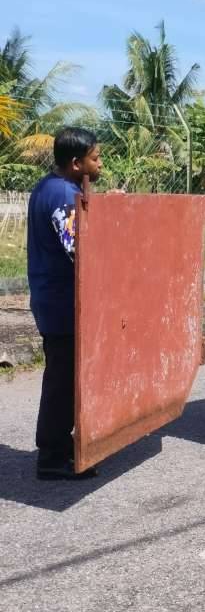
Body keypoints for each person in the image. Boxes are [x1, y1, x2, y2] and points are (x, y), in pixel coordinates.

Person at [28, 127, 102, 480]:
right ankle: (52, 457)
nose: (100, 164)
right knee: (62, 380)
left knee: (63, 376)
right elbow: (80, 250)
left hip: (52, 298)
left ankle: (59, 445)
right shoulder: (62, 196)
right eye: (95, 158)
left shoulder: (50, 186)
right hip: (62, 304)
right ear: (76, 163)